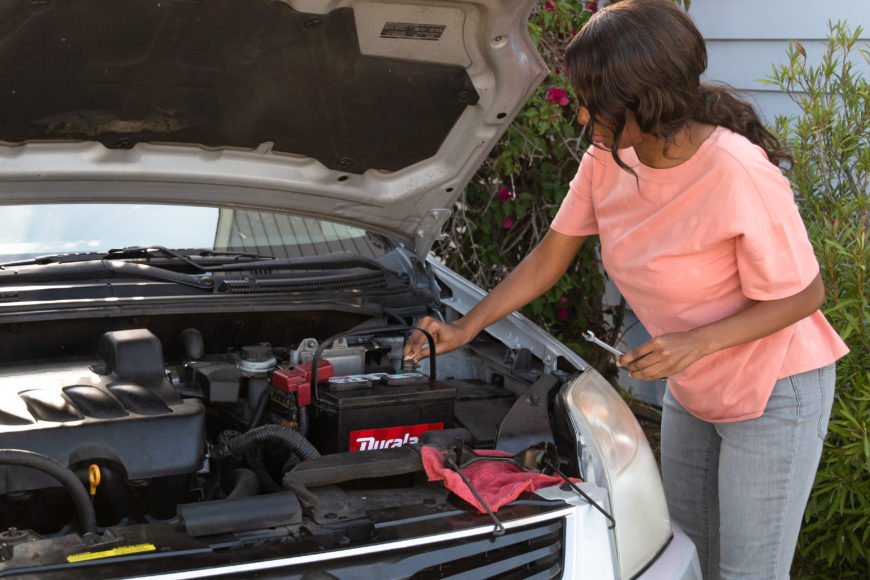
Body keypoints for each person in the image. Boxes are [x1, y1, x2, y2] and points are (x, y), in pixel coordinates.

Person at [402, 1, 849, 578]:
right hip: (696, 386)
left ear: (644, 99)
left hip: (776, 388)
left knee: (746, 573)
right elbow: (549, 256)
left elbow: (804, 295)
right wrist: (467, 326)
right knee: (685, 556)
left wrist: (695, 342)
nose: (582, 114)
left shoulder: (738, 172)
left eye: (593, 100)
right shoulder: (608, 160)